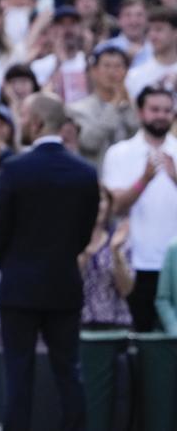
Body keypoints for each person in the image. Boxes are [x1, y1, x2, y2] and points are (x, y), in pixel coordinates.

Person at [0, 92, 99, 431]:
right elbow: (84, 234)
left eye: (23, 116)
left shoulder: (14, 169)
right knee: (69, 372)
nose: (21, 123)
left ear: (36, 122)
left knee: (18, 375)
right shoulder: (84, 172)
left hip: (19, 286)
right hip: (63, 284)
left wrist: (13, 265)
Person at [102, 85, 177, 332]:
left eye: (167, 110)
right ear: (141, 112)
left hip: (174, 263)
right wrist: (143, 180)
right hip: (137, 263)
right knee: (141, 340)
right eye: (155, 109)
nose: (161, 115)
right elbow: (116, 207)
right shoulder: (120, 153)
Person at [67, 44, 138, 167]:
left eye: (118, 66)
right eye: (107, 66)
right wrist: (114, 104)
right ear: (94, 71)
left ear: (126, 71)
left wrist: (127, 102)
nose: (112, 72)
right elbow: (90, 142)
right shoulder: (77, 109)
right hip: (96, 178)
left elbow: (138, 138)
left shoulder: (132, 108)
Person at [79, 186, 134, 330]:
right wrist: (86, 252)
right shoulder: (70, 240)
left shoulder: (119, 240)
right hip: (77, 324)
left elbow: (126, 290)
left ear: (109, 205)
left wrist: (115, 251)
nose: (97, 205)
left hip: (115, 324)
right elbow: (64, 284)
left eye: (101, 199)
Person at [126, 6, 177, 98]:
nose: (152, 36)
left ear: (175, 33)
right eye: (149, 30)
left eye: (158, 29)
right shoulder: (134, 75)